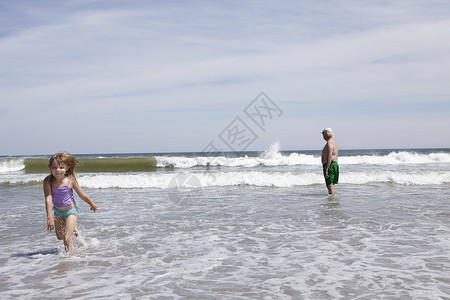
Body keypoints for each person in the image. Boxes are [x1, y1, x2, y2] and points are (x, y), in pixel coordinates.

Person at [43, 152, 98, 252]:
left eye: (61, 167)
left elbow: (82, 194)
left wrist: (91, 204)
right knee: (59, 236)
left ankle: (70, 258)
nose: (57, 170)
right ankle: (73, 229)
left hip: (71, 211)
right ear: (50, 167)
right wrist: (49, 217)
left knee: (67, 237)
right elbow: (48, 198)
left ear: (67, 168)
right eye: (54, 167)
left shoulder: (71, 180)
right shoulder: (48, 180)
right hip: (58, 211)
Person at [321, 128, 339, 195]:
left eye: (323, 134)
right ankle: (332, 199)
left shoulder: (329, 143)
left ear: (326, 134)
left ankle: (331, 201)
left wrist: (326, 168)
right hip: (333, 164)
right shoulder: (334, 142)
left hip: (330, 165)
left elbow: (329, 156)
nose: (323, 136)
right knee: (330, 184)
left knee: (329, 184)